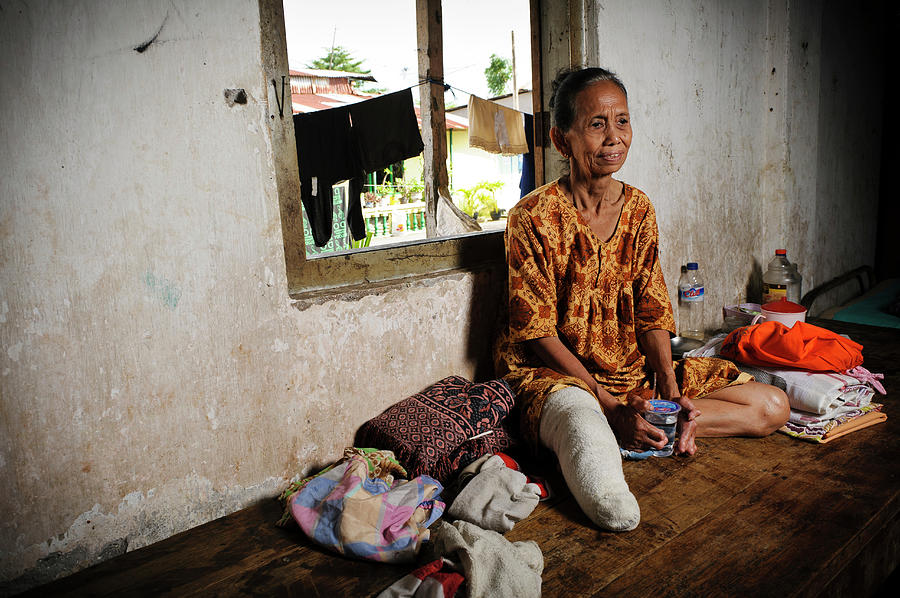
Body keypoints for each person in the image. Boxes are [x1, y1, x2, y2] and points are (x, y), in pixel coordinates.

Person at [494, 66, 790, 531]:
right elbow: (537, 335)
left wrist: (669, 386)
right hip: (557, 379)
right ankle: (611, 437)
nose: (614, 137)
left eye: (623, 121)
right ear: (560, 139)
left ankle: (657, 431)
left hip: (634, 377)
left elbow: (652, 310)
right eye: (596, 124)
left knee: (773, 406)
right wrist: (611, 407)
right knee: (582, 421)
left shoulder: (639, 208)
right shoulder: (531, 217)